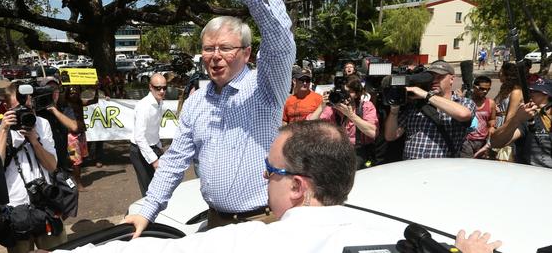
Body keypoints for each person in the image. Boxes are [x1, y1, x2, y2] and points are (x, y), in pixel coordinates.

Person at [45, 121, 501, 253]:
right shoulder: (407, 243)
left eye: (271, 170)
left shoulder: (257, 240)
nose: (264, 177)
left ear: (299, 186)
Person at [122, 0, 295, 235]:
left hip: (263, 223)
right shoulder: (198, 100)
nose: (215, 56)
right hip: (213, 223)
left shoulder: (265, 88)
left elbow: (279, 34)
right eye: (208, 48)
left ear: (246, 53)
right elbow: (174, 162)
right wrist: (147, 209)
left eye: (225, 48)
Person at [0, 83, 66, 252]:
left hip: (45, 205)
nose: (25, 112)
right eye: (18, 109)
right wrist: (4, 130)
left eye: (28, 107)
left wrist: (35, 141)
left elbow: (52, 166)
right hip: (15, 210)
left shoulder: (42, 124)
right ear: (6, 108)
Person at [384, 60, 475, 159]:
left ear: (452, 79)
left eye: (440, 77)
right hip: (411, 169)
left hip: (443, 169)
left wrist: (425, 94)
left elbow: (463, 115)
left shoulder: (463, 102)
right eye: (431, 77)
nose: (434, 81)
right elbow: (391, 136)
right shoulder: (416, 104)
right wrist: (394, 109)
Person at [310, 77, 378, 169]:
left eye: (349, 92)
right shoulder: (332, 108)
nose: (344, 95)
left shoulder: (365, 106)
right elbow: (308, 127)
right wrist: (322, 106)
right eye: (342, 92)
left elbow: (372, 133)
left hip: (359, 151)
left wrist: (350, 115)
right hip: (337, 150)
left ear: (357, 94)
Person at [490, 78, 552, 168]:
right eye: (529, 91)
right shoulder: (528, 117)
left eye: (534, 91)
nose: (529, 94)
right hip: (529, 175)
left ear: (546, 94)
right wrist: (516, 119)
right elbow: (495, 142)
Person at [130, 73, 167, 196]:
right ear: (150, 87)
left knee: (160, 185)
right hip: (139, 150)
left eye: (164, 88)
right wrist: (154, 160)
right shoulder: (144, 106)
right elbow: (139, 137)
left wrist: (159, 146)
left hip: (153, 146)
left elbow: (154, 128)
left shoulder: (159, 102)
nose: (161, 91)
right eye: (158, 88)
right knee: (148, 190)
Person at [47, 84, 88, 190]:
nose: (73, 92)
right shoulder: (64, 103)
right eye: (71, 91)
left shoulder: (74, 103)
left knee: (77, 160)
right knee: (73, 161)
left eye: (76, 90)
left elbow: (74, 126)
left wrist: (96, 89)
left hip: (77, 137)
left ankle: (75, 181)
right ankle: (75, 183)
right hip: (67, 139)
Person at [491, 62, 523, 161]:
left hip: (505, 125)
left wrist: (504, 134)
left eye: (501, 71)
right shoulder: (505, 89)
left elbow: (510, 116)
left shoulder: (516, 91)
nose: (499, 73)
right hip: (498, 123)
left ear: (507, 74)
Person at [459, 76, 496, 159]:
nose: (485, 91)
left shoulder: (491, 103)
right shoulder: (466, 101)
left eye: (488, 89)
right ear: (474, 87)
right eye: (482, 89)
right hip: (466, 140)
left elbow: (492, 119)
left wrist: (492, 127)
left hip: (483, 141)